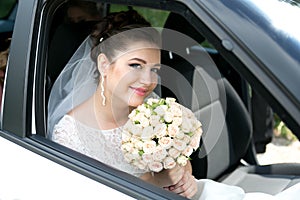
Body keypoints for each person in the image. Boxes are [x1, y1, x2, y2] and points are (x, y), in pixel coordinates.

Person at [47, 10, 300, 200]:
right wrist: (157, 182)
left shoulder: (152, 108)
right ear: (104, 65)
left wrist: (185, 176)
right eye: (135, 65)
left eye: (154, 69)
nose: (148, 81)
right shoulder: (69, 134)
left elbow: (178, 162)